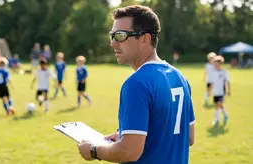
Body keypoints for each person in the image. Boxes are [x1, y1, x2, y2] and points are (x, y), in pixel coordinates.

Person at [77, 5, 195, 164]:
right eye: (112, 35)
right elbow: (188, 137)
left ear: (145, 39)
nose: (113, 43)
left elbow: (129, 152)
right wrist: (130, 136)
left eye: (120, 36)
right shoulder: (180, 77)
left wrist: (93, 150)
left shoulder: (137, 83)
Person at [210, 56, 230, 125]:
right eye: (214, 64)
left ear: (220, 64)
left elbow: (228, 81)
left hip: (222, 92)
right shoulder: (213, 72)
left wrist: (228, 90)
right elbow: (212, 82)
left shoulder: (224, 71)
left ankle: (217, 120)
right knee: (218, 106)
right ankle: (225, 115)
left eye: (217, 63)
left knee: (219, 105)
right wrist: (210, 91)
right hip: (215, 92)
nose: (215, 65)